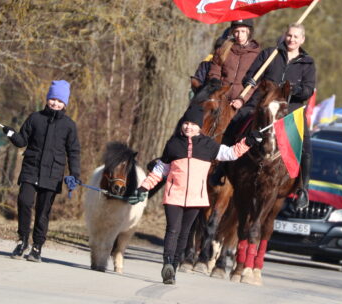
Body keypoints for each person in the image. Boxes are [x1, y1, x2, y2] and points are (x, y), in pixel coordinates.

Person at [134, 104, 262, 284]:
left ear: (199, 127)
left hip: (196, 197)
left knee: (185, 233)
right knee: (172, 229)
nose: (188, 127)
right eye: (186, 123)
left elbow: (230, 153)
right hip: (174, 195)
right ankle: (167, 263)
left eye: (193, 124)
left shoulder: (208, 145)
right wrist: (144, 187)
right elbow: (161, 169)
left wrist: (247, 142)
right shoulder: (173, 144)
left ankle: (174, 266)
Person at [222, 22, 315, 204]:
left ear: (302, 39)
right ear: (285, 35)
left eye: (296, 37)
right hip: (262, 103)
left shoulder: (308, 62)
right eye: (289, 35)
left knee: (306, 145)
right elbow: (251, 75)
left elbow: (308, 90)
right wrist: (250, 80)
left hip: (290, 109)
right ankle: (221, 168)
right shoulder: (270, 53)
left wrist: (292, 90)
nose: (291, 39)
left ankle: (303, 188)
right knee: (235, 122)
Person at [2, 80, 81, 262]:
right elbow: (22, 141)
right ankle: (22, 240)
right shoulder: (35, 118)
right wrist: (11, 134)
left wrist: (74, 174)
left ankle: (37, 246)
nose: (55, 103)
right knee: (24, 202)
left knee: (43, 211)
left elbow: (74, 151)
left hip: (53, 174)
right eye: (53, 99)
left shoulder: (69, 125)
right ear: (47, 99)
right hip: (31, 169)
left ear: (64, 104)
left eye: (59, 101)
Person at [207, 18, 261, 109]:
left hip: (243, 102)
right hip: (220, 98)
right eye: (236, 31)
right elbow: (214, 72)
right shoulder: (222, 49)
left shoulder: (257, 55)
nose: (239, 35)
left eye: (243, 31)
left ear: (249, 32)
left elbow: (256, 82)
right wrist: (217, 89)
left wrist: (242, 99)